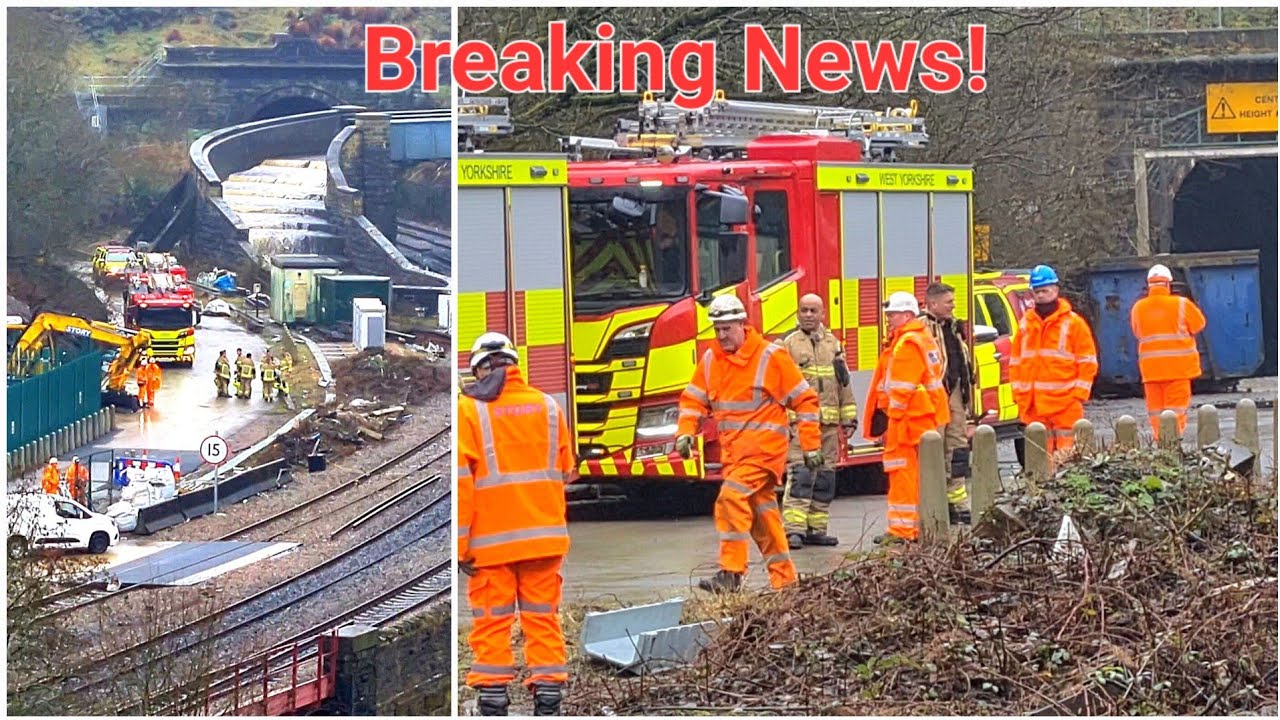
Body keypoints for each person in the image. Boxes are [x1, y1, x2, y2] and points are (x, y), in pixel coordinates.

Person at [458, 332, 575, 717]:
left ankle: (492, 701)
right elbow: (566, 468)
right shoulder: (548, 406)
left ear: (481, 369)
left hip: (491, 546)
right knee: (543, 620)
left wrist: (459, 549)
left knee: (492, 623)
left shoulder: (470, 411)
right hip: (545, 540)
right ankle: (549, 700)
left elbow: (463, 484)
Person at [675, 294, 823, 592]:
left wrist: (811, 444)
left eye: (727, 328)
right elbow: (693, 400)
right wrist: (685, 432)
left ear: (743, 324)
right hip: (735, 456)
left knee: (730, 498)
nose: (721, 335)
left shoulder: (770, 356)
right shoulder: (711, 360)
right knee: (763, 515)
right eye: (717, 329)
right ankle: (786, 582)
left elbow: (805, 400)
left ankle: (731, 574)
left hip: (763, 452)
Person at [864, 292, 949, 544]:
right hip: (922, 417)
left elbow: (901, 389)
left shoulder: (908, 343)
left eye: (894, 314)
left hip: (909, 420)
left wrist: (892, 420)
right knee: (915, 474)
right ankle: (913, 528)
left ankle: (902, 531)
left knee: (903, 473)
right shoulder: (920, 338)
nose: (889, 319)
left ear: (908, 315)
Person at [776, 293, 857, 548]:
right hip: (800, 426)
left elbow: (843, 383)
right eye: (804, 310)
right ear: (798, 313)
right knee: (801, 475)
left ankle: (816, 529)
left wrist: (850, 417)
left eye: (813, 311)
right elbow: (779, 387)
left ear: (822, 314)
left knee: (824, 479)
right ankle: (793, 530)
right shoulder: (788, 345)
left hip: (829, 426)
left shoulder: (833, 344)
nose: (808, 315)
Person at [1010, 265, 1098, 457]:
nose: (1040, 295)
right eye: (1037, 291)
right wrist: (1019, 395)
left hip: (1064, 404)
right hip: (1033, 406)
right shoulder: (1026, 324)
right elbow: (1015, 363)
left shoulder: (1074, 323)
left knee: (1068, 458)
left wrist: (1078, 395)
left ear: (1056, 290)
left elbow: (1088, 361)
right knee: (1040, 460)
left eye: (1045, 290)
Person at [920, 282, 977, 525]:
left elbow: (963, 362)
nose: (953, 305)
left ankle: (958, 502)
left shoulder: (953, 327)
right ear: (932, 304)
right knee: (935, 449)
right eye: (948, 302)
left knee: (958, 448)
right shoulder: (921, 330)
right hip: (933, 397)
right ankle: (936, 503)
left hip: (955, 393)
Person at [1130, 264, 1207, 436]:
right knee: (1176, 414)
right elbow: (1199, 324)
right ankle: (1172, 448)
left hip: (1151, 372)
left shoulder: (1138, 308)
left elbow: (1137, 332)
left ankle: (1161, 446)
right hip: (1178, 371)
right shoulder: (1181, 304)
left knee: (1156, 414)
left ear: (1149, 285)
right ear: (1168, 284)